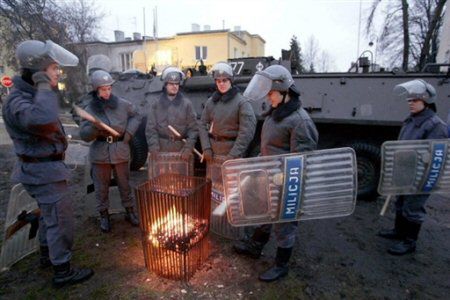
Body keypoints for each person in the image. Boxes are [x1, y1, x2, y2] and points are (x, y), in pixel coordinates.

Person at [2, 40, 93, 287]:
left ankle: (47, 255)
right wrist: (44, 85)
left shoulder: (30, 94)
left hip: (45, 169)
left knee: (47, 216)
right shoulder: (18, 100)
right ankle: (62, 271)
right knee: (60, 221)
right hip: (43, 173)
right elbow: (42, 119)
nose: (57, 72)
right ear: (38, 71)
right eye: (53, 68)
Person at [233, 65, 319, 282]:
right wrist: (258, 166)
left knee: (285, 224)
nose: (268, 97)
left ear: (284, 92)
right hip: (270, 176)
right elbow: (271, 149)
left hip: (286, 183)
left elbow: (303, 161)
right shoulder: (276, 114)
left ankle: (282, 264)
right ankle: (256, 246)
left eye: (271, 93)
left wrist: (284, 179)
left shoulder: (300, 121)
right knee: (264, 213)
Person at [378, 79, 448, 255]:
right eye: (409, 100)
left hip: (421, 176)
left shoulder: (435, 125)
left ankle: (410, 242)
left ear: (426, 101)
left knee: (413, 207)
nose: (410, 103)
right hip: (406, 171)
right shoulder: (411, 120)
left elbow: (437, 155)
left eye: (415, 100)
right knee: (401, 202)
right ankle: (398, 232)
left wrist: (422, 171)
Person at [79, 70, 140, 233]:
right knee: (101, 187)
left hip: (120, 150)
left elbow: (136, 116)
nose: (107, 92)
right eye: (103, 89)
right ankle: (104, 215)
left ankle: (130, 211)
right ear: (96, 90)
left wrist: (128, 135)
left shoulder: (122, 104)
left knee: (125, 184)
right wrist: (93, 127)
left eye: (109, 88)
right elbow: (84, 135)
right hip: (100, 153)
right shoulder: (89, 109)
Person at [198, 61, 256, 163]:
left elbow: (246, 133)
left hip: (232, 155)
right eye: (218, 81)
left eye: (224, 80)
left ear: (231, 81)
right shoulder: (211, 102)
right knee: (213, 180)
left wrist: (233, 155)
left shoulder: (242, 103)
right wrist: (206, 148)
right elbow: (202, 125)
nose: (221, 84)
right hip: (213, 154)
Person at [145, 66, 198, 167]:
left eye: (177, 84)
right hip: (161, 149)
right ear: (165, 85)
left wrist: (188, 148)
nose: (174, 86)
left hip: (181, 150)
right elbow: (151, 129)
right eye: (171, 84)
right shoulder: (156, 104)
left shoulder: (187, 104)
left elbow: (193, 129)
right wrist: (154, 148)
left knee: (181, 181)